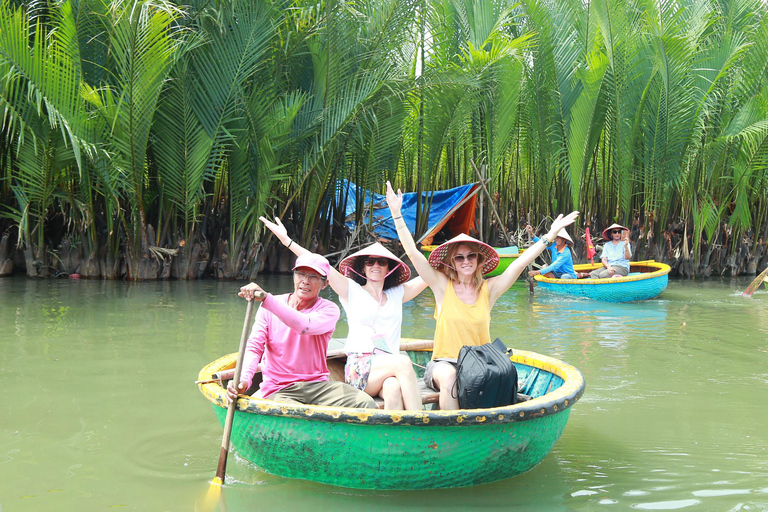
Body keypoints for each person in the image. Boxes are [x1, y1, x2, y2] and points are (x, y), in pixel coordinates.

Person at [386, 181, 579, 409]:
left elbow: (519, 264)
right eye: (459, 257)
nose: (466, 261)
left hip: (480, 364)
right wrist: (397, 214)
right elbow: (413, 253)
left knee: (504, 375)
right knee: (450, 378)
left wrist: (549, 235)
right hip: (443, 364)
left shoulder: (489, 290)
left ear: (478, 261)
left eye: (471, 256)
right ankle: (453, 433)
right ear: (452, 263)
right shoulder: (441, 285)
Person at [260, 216, 429, 411]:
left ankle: (392, 437)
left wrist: (446, 259)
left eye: (381, 262)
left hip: (387, 369)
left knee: (393, 387)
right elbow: (320, 263)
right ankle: (420, 422)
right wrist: (286, 241)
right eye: (369, 262)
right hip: (360, 367)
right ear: (362, 267)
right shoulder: (352, 291)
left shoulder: (398, 293)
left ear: (389, 268)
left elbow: (428, 274)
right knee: (403, 362)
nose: (375, 266)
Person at [226, 252, 376, 409]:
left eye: (313, 276)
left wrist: (266, 299)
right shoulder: (269, 307)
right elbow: (254, 348)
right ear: (294, 277)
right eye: (301, 274)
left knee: (365, 403)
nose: (305, 281)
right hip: (279, 387)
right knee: (294, 411)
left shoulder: (329, 310)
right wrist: (244, 379)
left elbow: (304, 325)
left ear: (325, 284)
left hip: (317, 386)